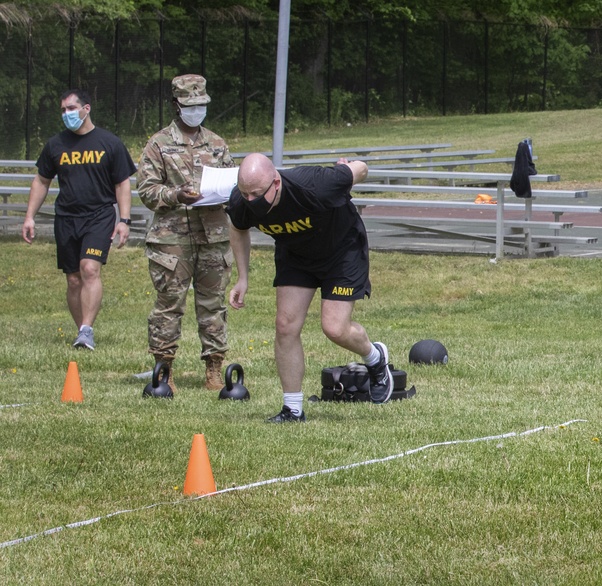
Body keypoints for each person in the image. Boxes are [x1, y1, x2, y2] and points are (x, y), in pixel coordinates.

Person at [226, 153, 394, 423]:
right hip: (296, 258)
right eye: (244, 194)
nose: (250, 202)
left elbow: (361, 168)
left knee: (335, 328)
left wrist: (348, 173)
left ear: (276, 183)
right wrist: (242, 278)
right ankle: (292, 409)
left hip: (341, 252)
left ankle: (375, 358)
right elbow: (238, 228)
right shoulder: (243, 200)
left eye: (256, 194)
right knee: (285, 326)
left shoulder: (315, 184)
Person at [136, 74, 235, 393]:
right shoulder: (159, 144)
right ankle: (163, 371)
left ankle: (214, 370)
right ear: (177, 105)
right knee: (169, 305)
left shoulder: (217, 143)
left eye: (201, 105)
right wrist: (177, 195)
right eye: (190, 105)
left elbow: (234, 183)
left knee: (213, 305)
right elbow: (147, 190)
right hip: (172, 240)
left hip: (213, 238)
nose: (197, 110)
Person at [22, 89, 137, 351]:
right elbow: (41, 181)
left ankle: (87, 329)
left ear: (86, 109)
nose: (67, 114)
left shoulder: (110, 143)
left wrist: (124, 220)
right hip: (66, 218)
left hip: (99, 216)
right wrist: (29, 216)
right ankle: (81, 333)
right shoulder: (55, 145)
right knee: (73, 279)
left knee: (89, 269)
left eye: (71, 108)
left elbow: (122, 183)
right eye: (63, 110)